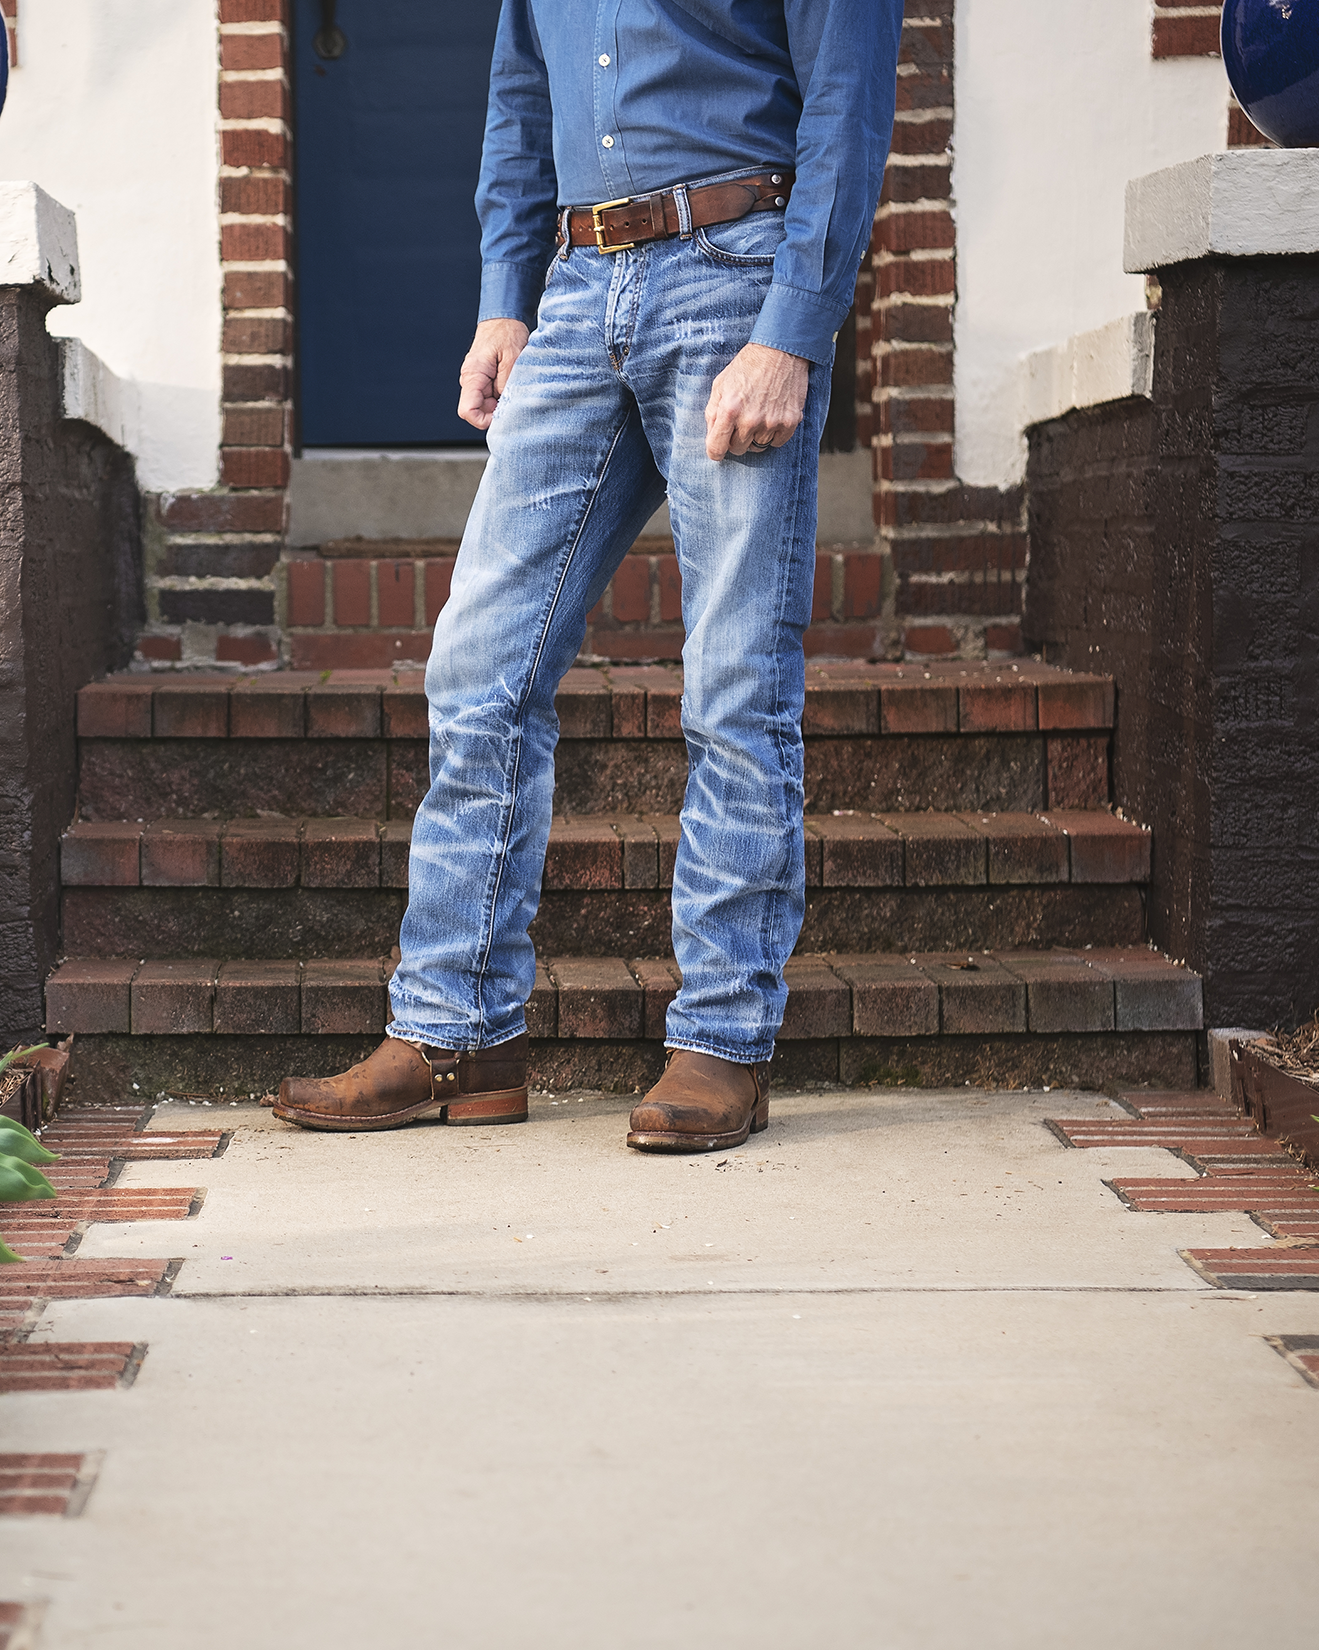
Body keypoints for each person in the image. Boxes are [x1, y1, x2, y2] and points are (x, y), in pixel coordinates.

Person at [276, 0, 904, 1150]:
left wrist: (794, 332)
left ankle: (723, 1041)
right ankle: (454, 1035)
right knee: (478, 667)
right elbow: (522, 100)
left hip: (737, 272)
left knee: (732, 680)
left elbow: (850, 110)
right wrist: (504, 297)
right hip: (575, 292)